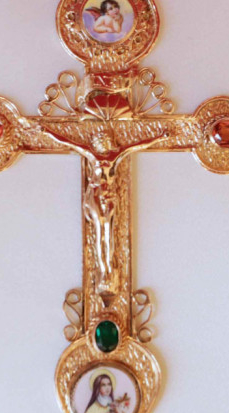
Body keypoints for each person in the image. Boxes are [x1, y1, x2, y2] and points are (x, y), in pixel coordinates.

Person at [40, 126, 169, 296]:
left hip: (109, 198)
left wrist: (160, 137)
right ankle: (102, 271)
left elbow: (137, 146)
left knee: (109, 233)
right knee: (100, 231)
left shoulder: (115, 156)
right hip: (95, 196)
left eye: (106, 141)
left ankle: (109, 270)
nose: (104, 144)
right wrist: (48, 132)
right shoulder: (92, 156)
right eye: (101, 141)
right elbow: (69, 142)